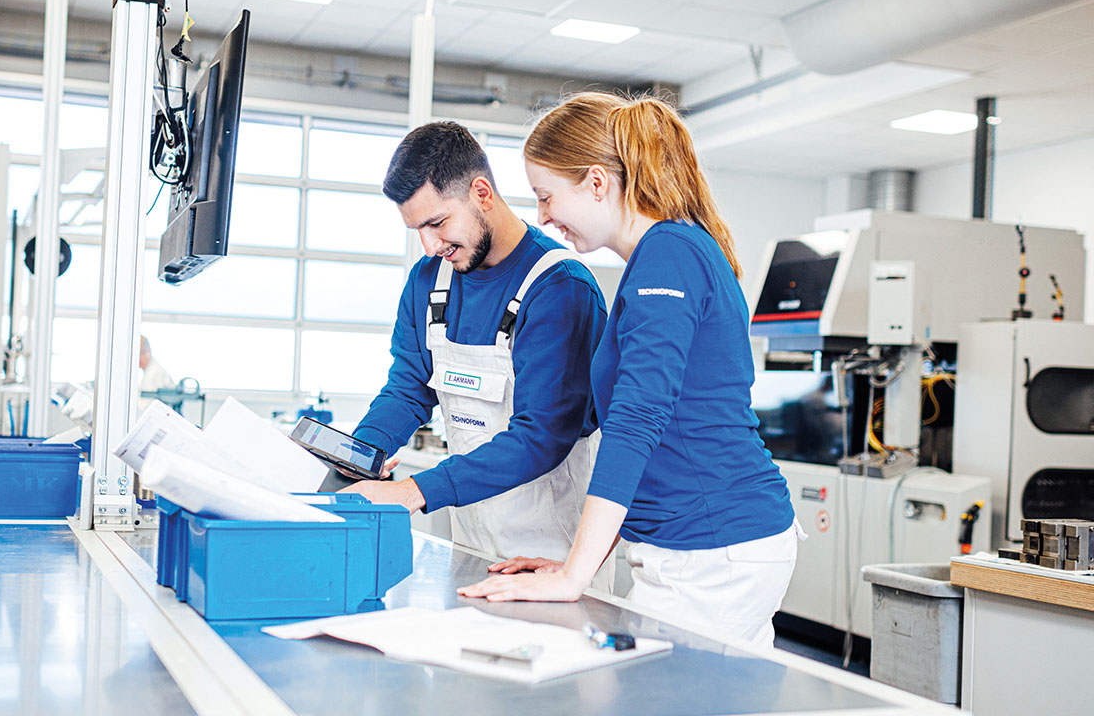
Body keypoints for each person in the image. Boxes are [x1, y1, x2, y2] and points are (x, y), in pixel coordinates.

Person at [458, 93, 801, 649]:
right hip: (706, 544)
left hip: (714, 549)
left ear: (597, 182)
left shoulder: (669, 254)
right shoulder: (668, 253)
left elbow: (638, 420)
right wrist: (574, 563)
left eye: (547, 196)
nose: (542, 216)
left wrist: (574, 576)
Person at [339, 121, 611, 575]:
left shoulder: (560, 288)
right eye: (416, 230)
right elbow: (408, 390)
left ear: (481, 193)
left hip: (550, 553)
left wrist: (413, 492)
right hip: (471, 542)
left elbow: (540, 437)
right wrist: (358, 458)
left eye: (437, 223)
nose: (429, 246)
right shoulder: (430, 282)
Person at [138, 335, 174, 410]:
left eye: (140, 353)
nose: (138, 358)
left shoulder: (154, 373)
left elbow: (145, 406)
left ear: (148, 351)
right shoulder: (150, 370)